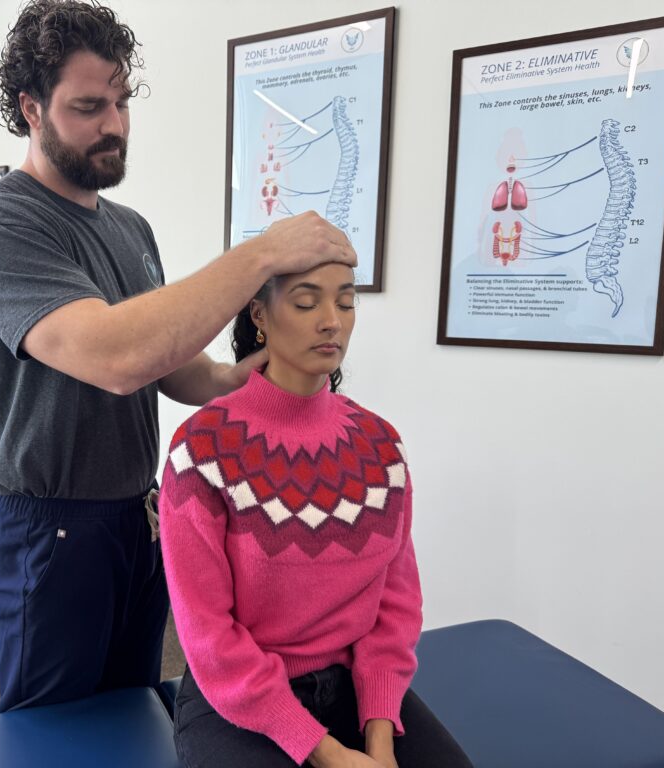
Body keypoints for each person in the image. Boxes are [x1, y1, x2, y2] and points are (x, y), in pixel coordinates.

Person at [0, 0, 357, 715]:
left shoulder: (131, 228)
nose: (115, 124)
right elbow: (117, 355)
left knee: (133, 712)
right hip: (51, 528)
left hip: (140, 516)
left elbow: (165, 360)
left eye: (122, 100)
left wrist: (230, 381)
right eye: (87, 106)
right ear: (31, 110)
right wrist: (263, 251)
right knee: (55, 735)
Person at [159, 263, 473, 768]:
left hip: (354, 689)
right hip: (238, 698)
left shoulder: (380, 444)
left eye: (345, 303)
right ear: (259, 314)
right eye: (307, 303)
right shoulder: (203, 448)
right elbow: (207, 633)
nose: (331, 321)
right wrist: (329, 755)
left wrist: (379, 742)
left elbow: (396, 603)